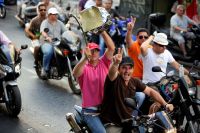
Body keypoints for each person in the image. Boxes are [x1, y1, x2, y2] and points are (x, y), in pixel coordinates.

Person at [100, 50, 174, 132]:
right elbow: (111, 73)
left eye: (129, 68)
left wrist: (165, 104)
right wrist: (116, 63)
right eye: (124, 68)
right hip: (113, 124)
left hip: (128, 122)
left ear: (133, 69)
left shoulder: (134, 81)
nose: (127, 71)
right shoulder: (114, 80)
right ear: (119, 69)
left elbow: (151, 92)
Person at [73, 30, 115, 133]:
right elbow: (75, 73)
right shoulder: (84, 67)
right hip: (90, 111)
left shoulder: (104, 62)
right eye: (91, 51)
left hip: (106, 108)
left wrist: (103, 32)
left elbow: (111, 48)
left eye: (96, 50)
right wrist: (84, 58)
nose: (94, 53)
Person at [140, 32, 189, 114]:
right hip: (150, 84)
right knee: (158, 102)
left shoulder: (166, 53)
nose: (164, 47)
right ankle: (149, 122)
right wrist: (151, 37)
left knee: (177, 96)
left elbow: (177, 65)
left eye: (165, 45)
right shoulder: (147, 52)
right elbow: (142, 47)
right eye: (161, 45)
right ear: (154, 44)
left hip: (164, 83)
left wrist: (188, 74)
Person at [125, 17, 150, 116]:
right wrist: (129, 30)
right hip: (134, 81)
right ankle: (133, 118)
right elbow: (128, 41)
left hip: (147, 81)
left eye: (145, 37)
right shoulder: (134, 46)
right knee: (141, 97)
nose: (143, 39)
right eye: (141, 37)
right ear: (137, 37)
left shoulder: (151, 48)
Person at [39, 7, 67, 78]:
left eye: (55, 14)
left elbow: (66, 31)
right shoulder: (45, 22)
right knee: (48, 52)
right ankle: (45, 69)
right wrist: (47, 37)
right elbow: (43, 32)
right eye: (52, 14)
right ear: (48, 15)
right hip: (47, 42)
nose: (54, 16)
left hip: (58, 43)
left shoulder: (60, 23)